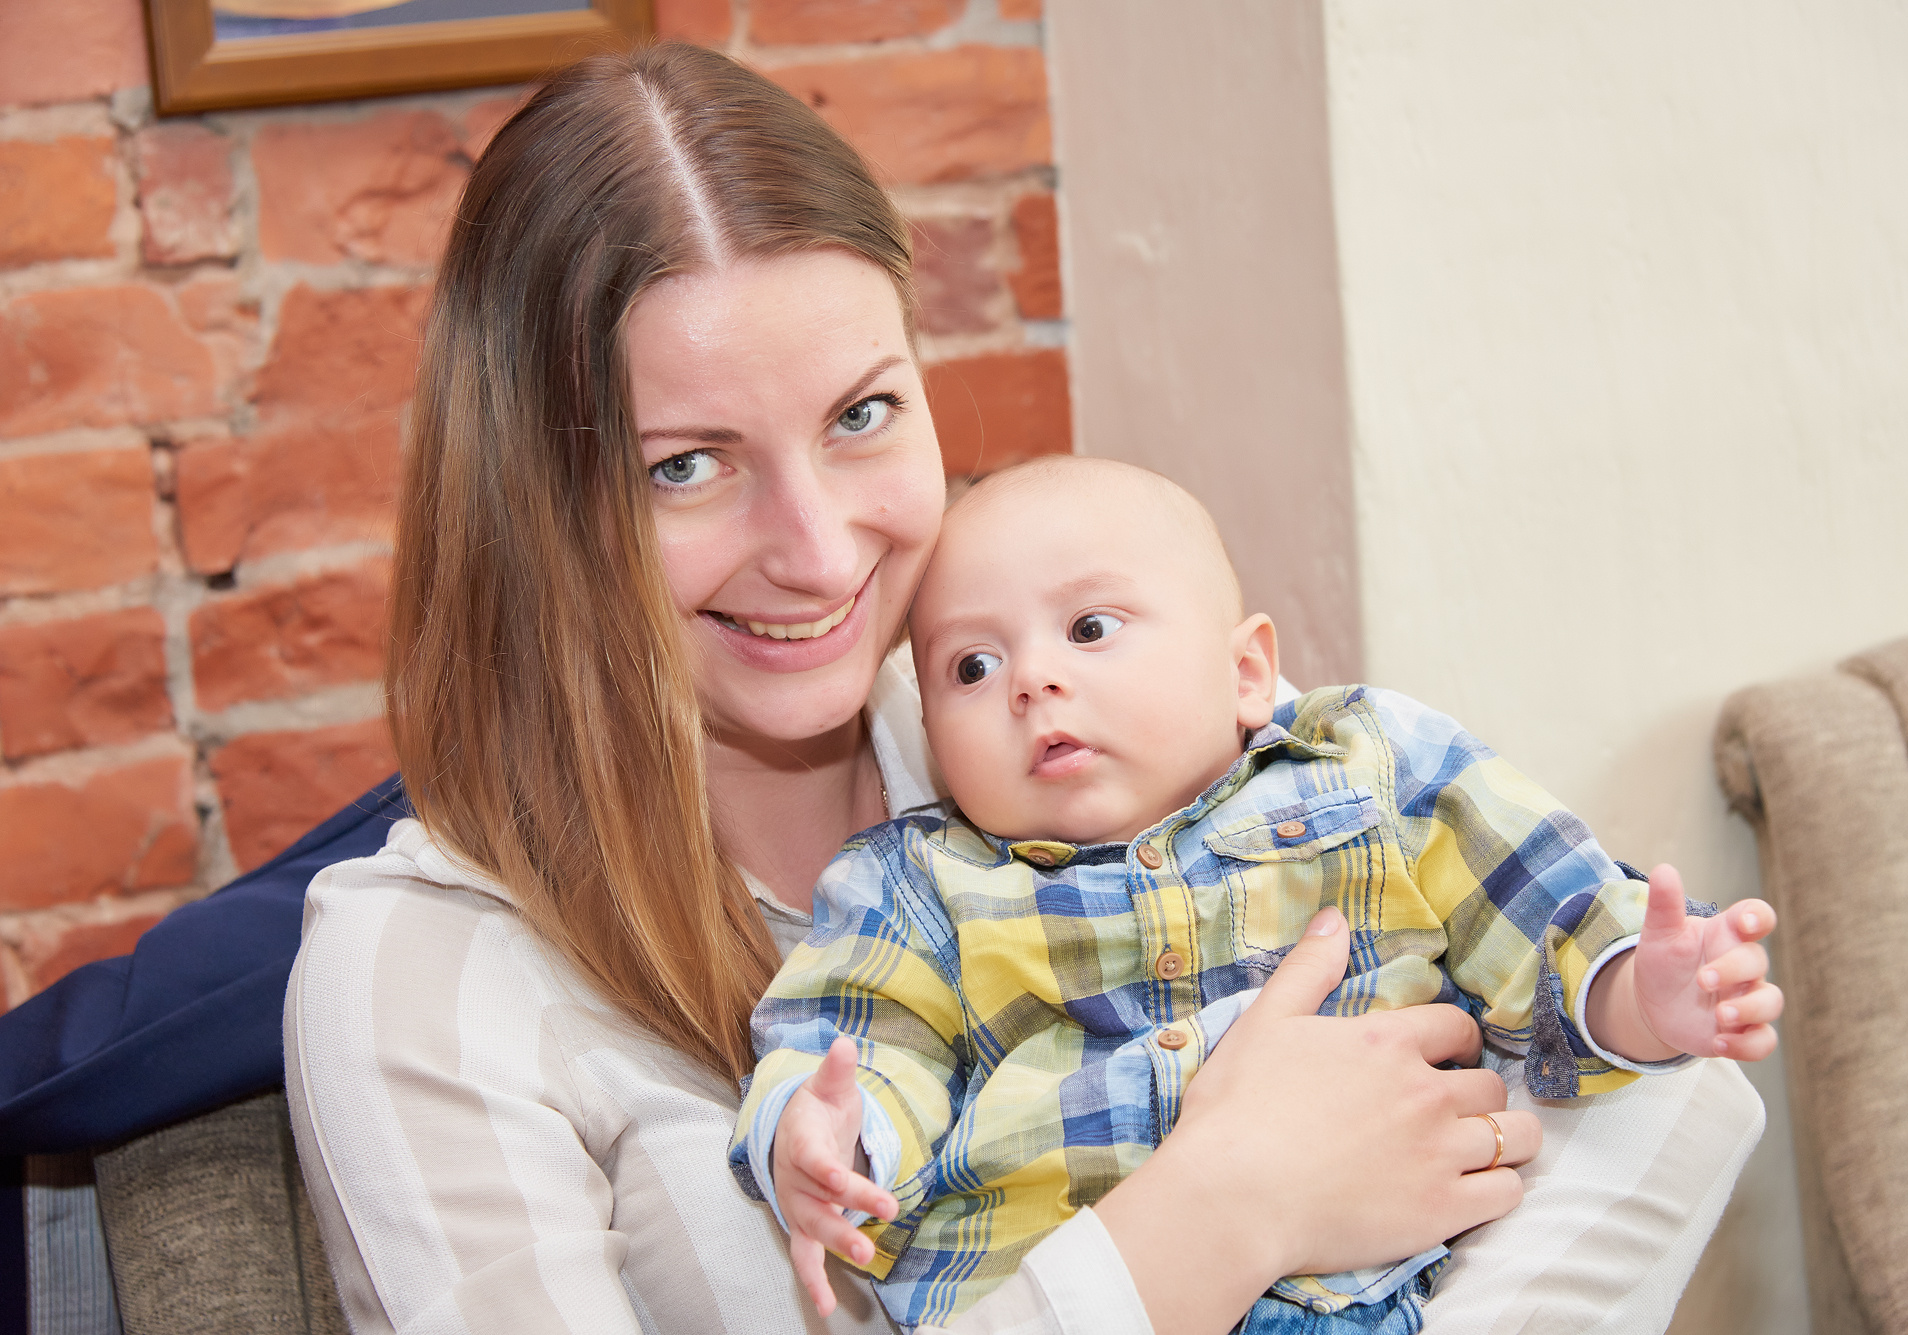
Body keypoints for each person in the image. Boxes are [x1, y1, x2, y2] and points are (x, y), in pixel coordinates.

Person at [282, 41, 1765, 1335]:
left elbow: (1630, 1062)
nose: (817, 549)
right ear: (532, 504)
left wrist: (1597, 1019)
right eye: (687, 463)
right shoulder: (419, 981)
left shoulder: (1072, 727)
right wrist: (1225, 1204)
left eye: (862, 413)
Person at [732, 459, 1782, 1333]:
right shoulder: (917, 886)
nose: (1030, 681)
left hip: (1352, 1299)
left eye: (1088, 629)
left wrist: (1641, 992)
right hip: (1073, 1293)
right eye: (969, 665)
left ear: (1245, 672)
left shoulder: (1366, 769)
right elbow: (858, 1036)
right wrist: (831, 1134)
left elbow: (1543, 921)